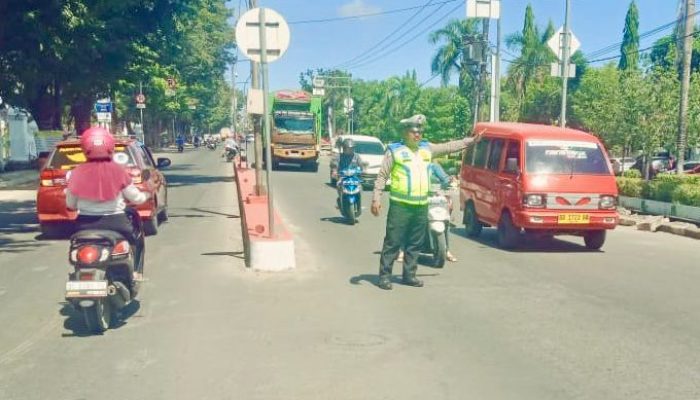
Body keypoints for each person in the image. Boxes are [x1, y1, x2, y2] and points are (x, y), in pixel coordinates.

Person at [371, 114, 474, 290]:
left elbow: (449, 147)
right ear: (405, 132)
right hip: (400, 206)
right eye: (413, 131)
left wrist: (469, 141)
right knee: (393, 241)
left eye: (420, 131)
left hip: (420, 205)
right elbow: (382, 176)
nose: (417, 135)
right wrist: (376, 198)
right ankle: (385, 276)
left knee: (415, 243)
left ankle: (409, 275)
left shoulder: (427, 149)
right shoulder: (395, 150)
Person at [65, 127, 150, 281]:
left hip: (84, 224)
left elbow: (70, 204)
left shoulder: (74, 173)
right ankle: (133, 273)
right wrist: (146, 195)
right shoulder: (119, 171)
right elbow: (136, 198)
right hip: (116, 222)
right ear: (111, 147)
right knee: (135, 240)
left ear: (84, 148)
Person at [395, 160, 457, 263]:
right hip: (414, 198)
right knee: (408, 221)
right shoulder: (411, 165)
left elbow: (444, 179)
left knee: (445, 220)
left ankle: (446, 250)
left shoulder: (434, 166)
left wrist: (450, 181)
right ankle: (402, 249)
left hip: (433, 199)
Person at [336, 138, 361, 207]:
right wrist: (335, 170)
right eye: (348, 148)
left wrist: (362, 169)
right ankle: (340, 198)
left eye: (352, 148)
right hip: (343, 176)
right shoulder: (339, 156)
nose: (350, 150)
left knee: (360, 185)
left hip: (354, 176)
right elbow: (335, 164)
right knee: (338, 184)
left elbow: (361, 165)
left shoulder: (357, 156)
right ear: (344, 148)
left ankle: (358, 198)